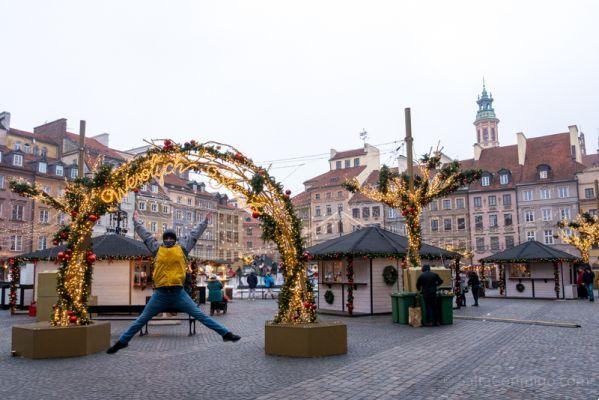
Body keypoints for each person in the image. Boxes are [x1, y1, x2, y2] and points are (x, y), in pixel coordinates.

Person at [107, 211, 240, 354]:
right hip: (161, 294)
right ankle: (122, 341)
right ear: (164, 239)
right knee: (141, 319)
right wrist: (136, 221)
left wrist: (205, 222)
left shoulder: (182, 248)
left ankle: (225, 334)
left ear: (174, 239)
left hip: (178, 293)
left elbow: (194, 235)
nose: (169, 240)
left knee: (201, 315)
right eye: (167, 238)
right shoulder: (157, 249)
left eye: (171, 238)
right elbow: (145, 235)